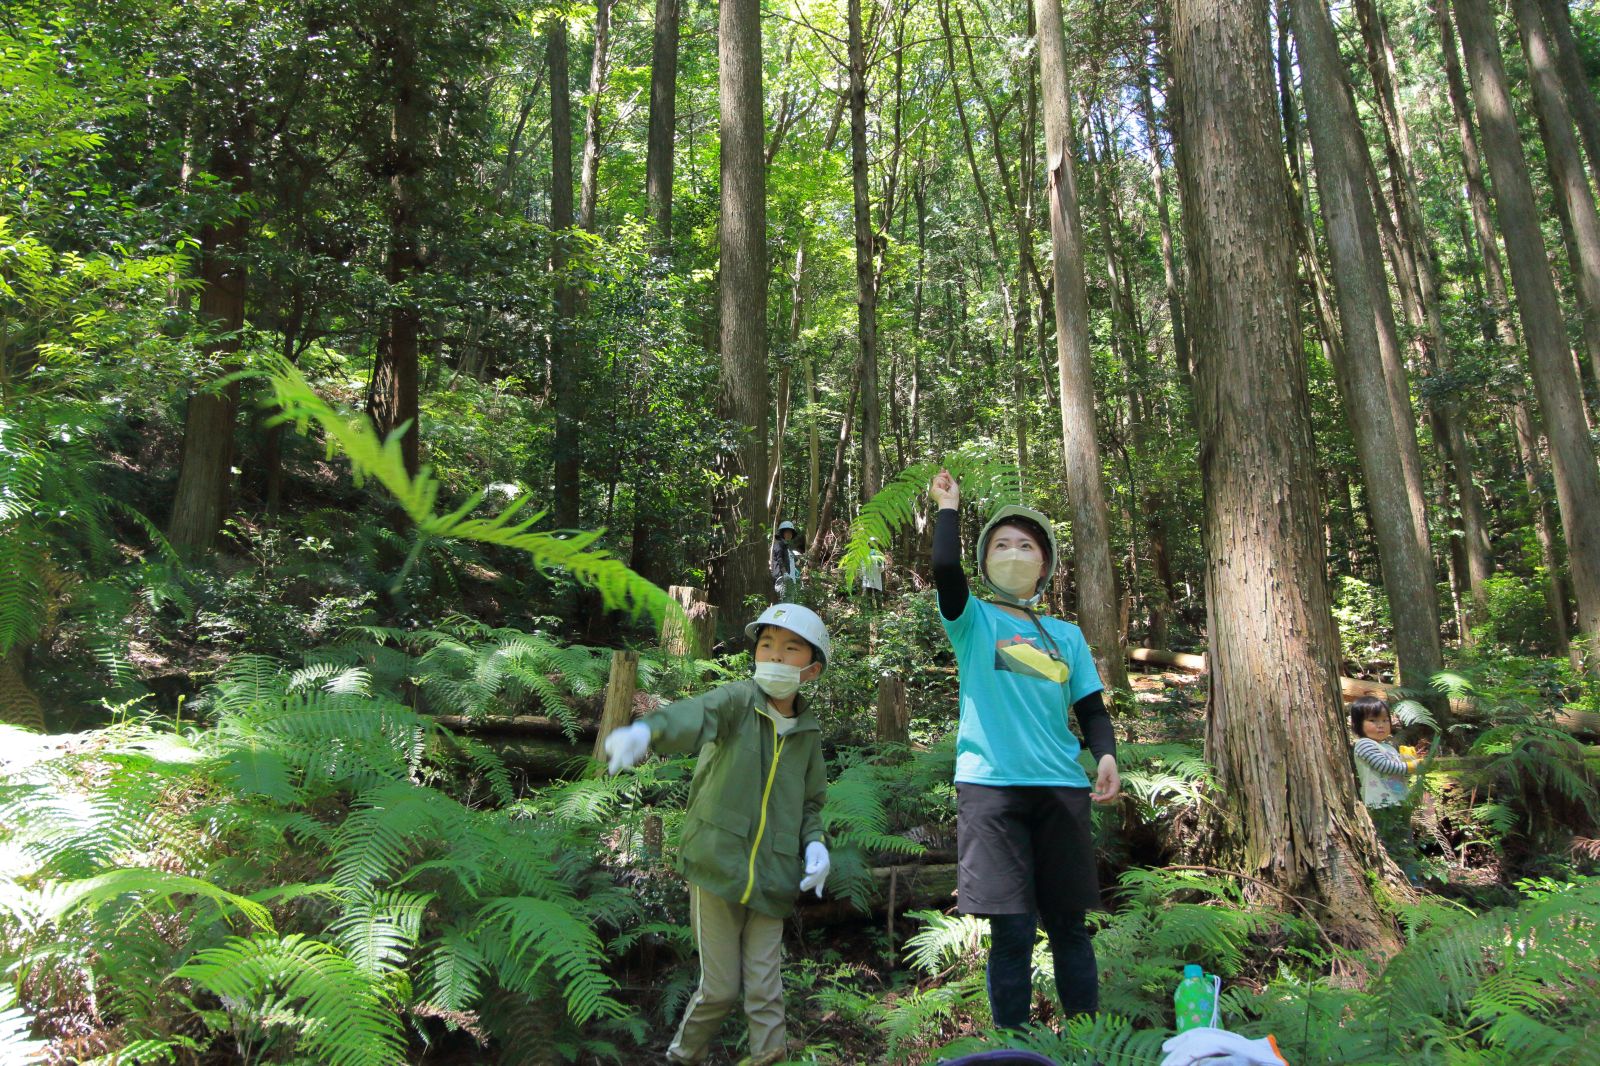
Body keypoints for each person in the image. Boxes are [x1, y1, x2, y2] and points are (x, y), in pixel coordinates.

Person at [928, 469, 1120, 1030]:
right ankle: (1013, 1047)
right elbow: (944, 568)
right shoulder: (971, 620)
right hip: (990, 790)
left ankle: (1087, 1042)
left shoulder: (1068, 635)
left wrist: (1105, 755)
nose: (1013, 553)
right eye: (1001, 546)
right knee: (1010, 933)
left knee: (1068, 927)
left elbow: (1090, 710)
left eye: (1026, 546)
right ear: (986, 562)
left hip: (1061, 786)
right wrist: (949, 507)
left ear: (1044, 563)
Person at [603, 603, 832, 1066]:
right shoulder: (737, 702)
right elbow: (696, 714)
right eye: (766, 645)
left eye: (790, 649)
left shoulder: (807, 733)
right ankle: (683, 1056)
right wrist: (649, 731)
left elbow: (810, 803)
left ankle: (769, 1058)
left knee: (766, 991)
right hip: (717, 864)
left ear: (811, 669)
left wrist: (815, 844)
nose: (774, 656)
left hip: (774, 878)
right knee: (721, 988)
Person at [1350, 695, 1423, 883]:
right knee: (1388, 842)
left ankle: (1412, 879)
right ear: (1359, 724)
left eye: (1385, 720)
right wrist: (1409, 767)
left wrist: (1408, 764)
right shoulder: (1364, 745)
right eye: (1373, 721)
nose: (1380, 725)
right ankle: (1394, 878)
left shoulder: (1389, 747)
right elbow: (1383, 766)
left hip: (1399, 801)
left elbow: (1399, 775)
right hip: (1380, 804)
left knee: (1405, 842)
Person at [769, 521, 803, 600]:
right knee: (784, 601)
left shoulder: (787, 547)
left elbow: (795, 561)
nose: (789, 534)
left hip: (790, 580)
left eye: (790, 533)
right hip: (782, 578)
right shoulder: (779, 544)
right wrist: (784, 573)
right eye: (787, 532)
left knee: (790, 602)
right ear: (782, 533)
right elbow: (779, 558)